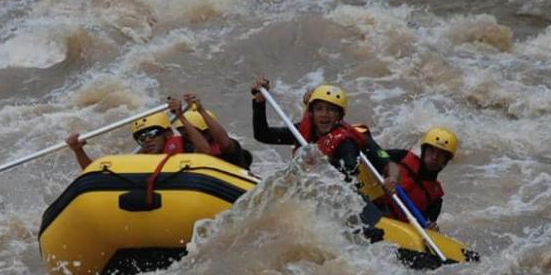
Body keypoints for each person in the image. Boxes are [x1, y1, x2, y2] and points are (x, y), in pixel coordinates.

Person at [251, 77, 390, 177]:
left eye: (331, 110)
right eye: (319, 109)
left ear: (339, 116)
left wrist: (325, 160)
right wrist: (259, 103)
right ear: (311, 113)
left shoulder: (346, 142)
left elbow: (350, 170)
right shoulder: (302, 131)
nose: (325, 114)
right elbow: (262, 135)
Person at [65, 98, 213, 170]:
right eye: (141, 138)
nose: (147, 140)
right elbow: (95, 173)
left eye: (152, 133)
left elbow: (205, 151)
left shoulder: (185, 148)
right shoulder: (137, 161)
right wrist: (78, 150)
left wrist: (180, 116)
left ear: (167, 134)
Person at [378, 127, 459, 230]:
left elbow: (427, 225)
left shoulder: (435, 199)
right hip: (375, 208)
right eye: (431, 150)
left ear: (445, 161)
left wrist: (431, 227)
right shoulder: (401, 156)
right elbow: (376, 155)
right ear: (424, 150)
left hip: (397, 229)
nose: (434, 157)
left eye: (441, 154)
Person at [174, 93, 252, 169]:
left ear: (207, 133)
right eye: (182, 133)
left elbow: (219, 144)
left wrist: (200, 110)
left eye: (189, 133)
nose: (188, 138)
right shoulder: (185, 147)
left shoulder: (230, 147)